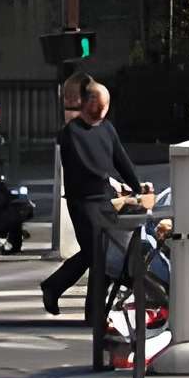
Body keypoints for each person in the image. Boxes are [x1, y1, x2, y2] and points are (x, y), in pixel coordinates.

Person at [42, 79, 150, 321]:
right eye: (99, 105)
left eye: (106, 105)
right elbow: (83, 166)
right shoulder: (71, 133)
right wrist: (111, 181)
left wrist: (136, 186)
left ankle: (87, 308)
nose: (102, 110)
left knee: (105, 255)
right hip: (83, 201)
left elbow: (121, 160)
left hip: (105, 200)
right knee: (97, 253)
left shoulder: (108, 129)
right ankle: (61, 291)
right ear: (88, 102)